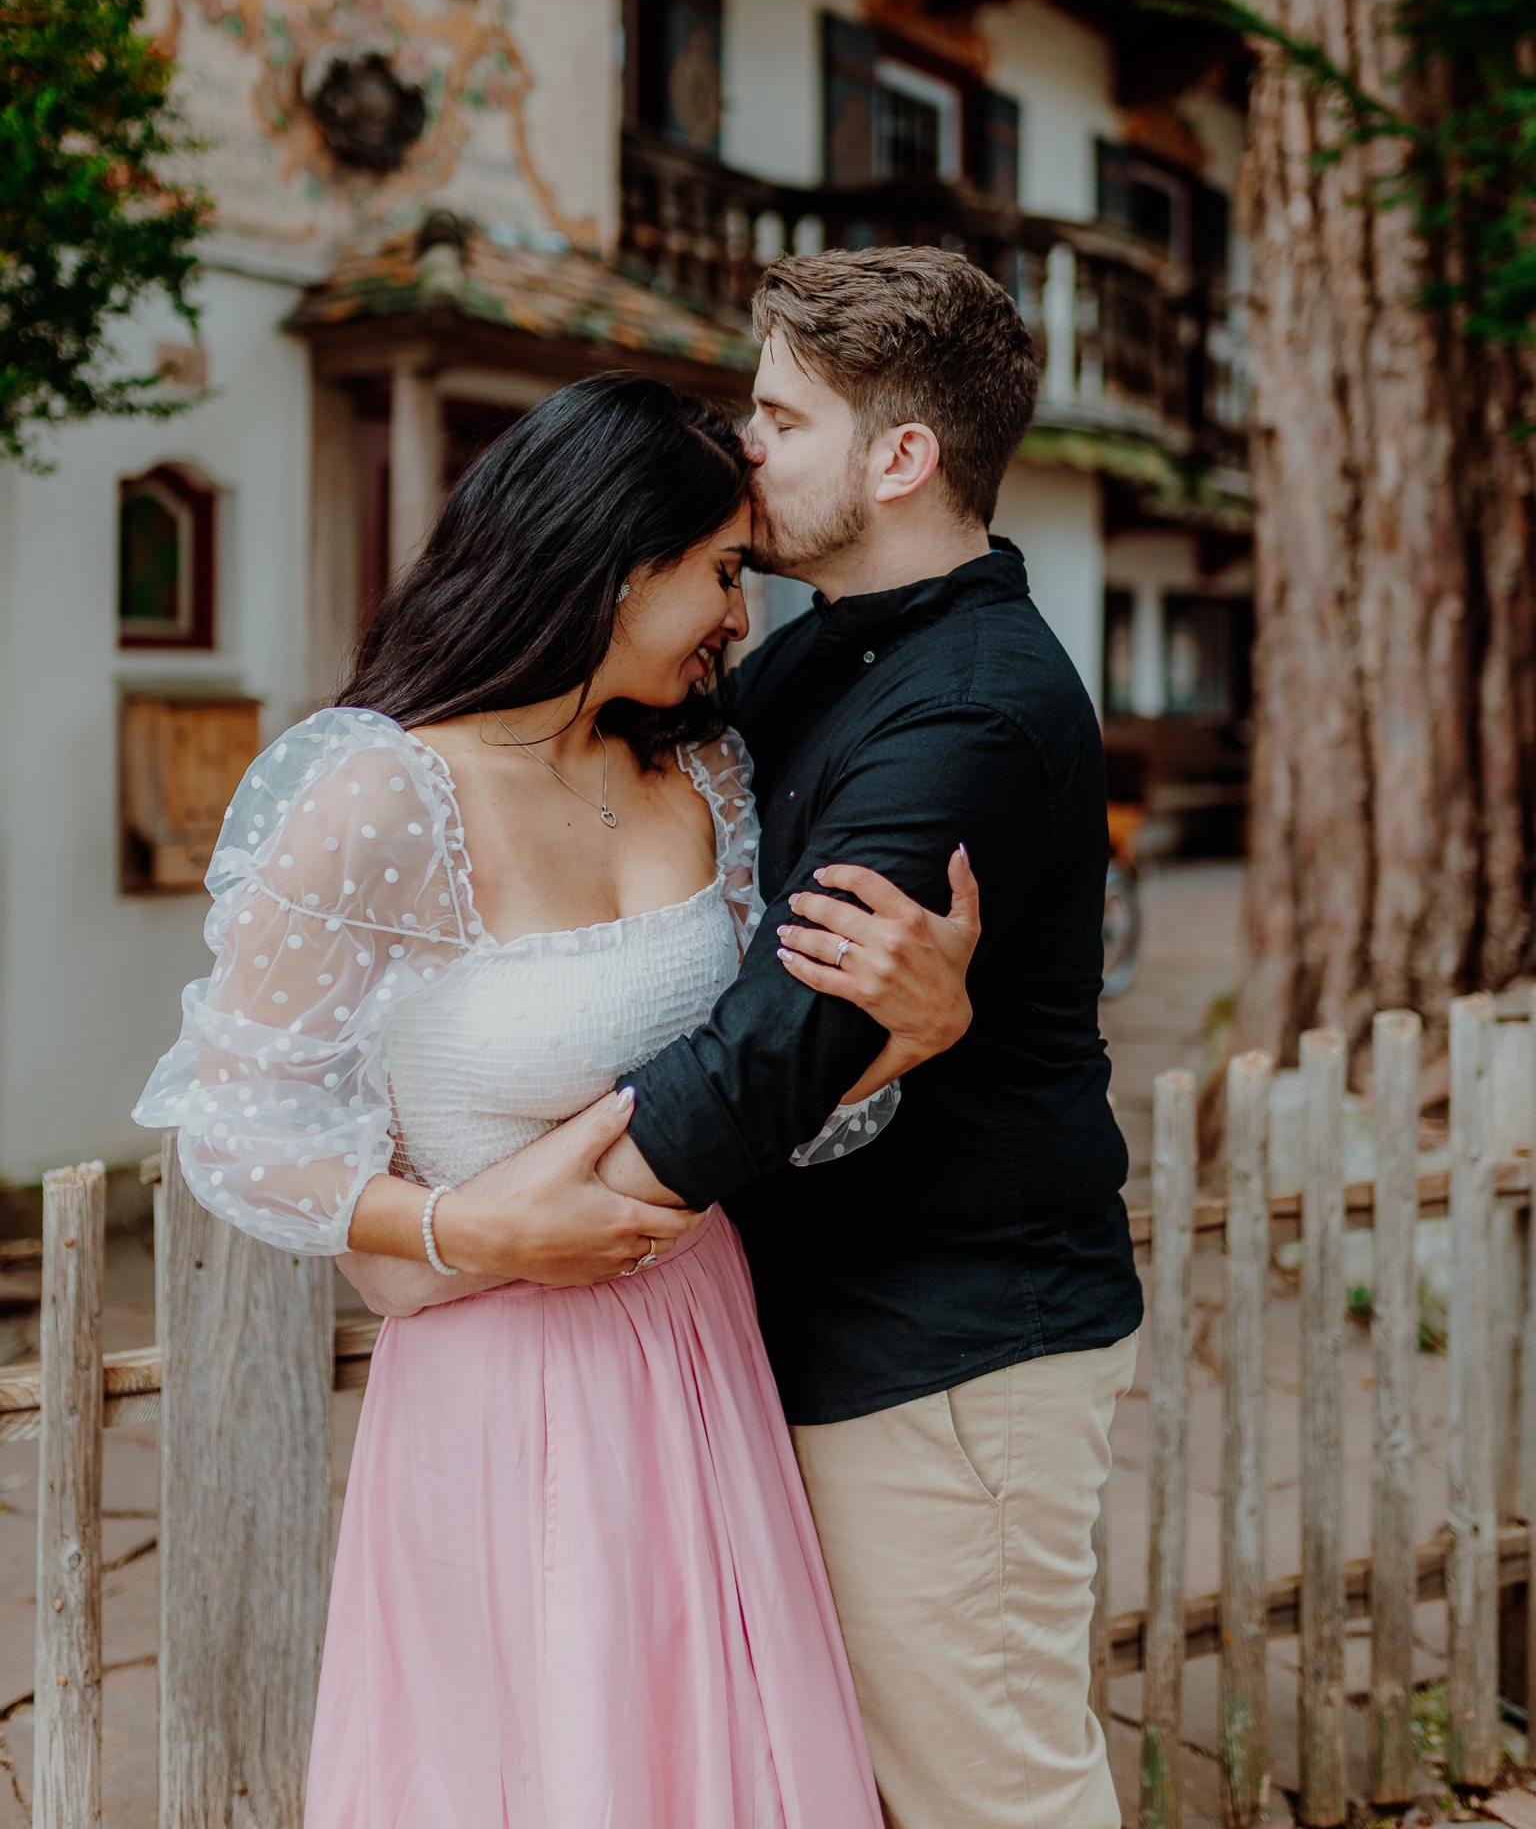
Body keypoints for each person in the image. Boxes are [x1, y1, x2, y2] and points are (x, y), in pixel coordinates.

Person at [133, 373, 979, 1829]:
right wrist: (469, 1230)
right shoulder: (381, 794)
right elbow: (237, 1129)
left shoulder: (703, 773)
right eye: (722, 572)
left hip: (703, 1347)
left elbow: (768, 1091)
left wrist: (915, 1034)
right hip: (498, 1383)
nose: (739, 618)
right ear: (618, 564)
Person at [541, 247, 1144, 1829]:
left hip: (950, 1349)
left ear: (900, 458)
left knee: (989, 1798)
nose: (744, 448)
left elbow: (774, 1049)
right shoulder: (816, 650)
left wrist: (496, 1218)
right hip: (809, 1322)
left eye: (782, 418)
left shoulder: (974, 708)